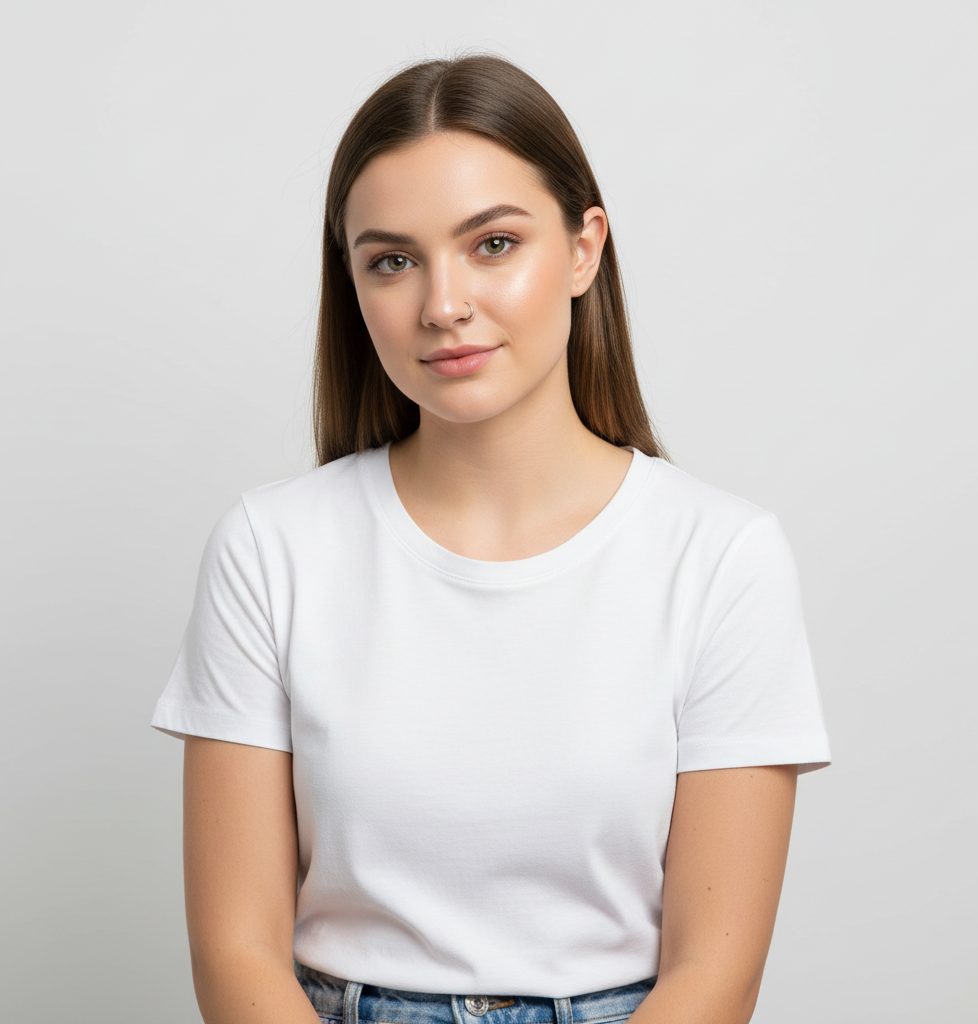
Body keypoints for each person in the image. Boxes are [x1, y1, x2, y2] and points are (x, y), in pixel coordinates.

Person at [152, 53, 831, 1024]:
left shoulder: (721, 557)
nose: (442, 305)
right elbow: (236, 953)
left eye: (493, 244)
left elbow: (712, 976)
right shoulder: (271, 548)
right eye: (392, 261)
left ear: (584, 249)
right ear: (352, 284)